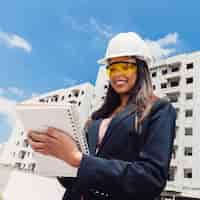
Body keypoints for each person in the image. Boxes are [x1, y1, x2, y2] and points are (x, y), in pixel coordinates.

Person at [28, 32, 176, 200]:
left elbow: (150, 179)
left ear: (141, 69)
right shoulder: (96, 118)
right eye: (112, 68)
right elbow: (74, 179)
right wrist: (57, 156)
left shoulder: (159, 109)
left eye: (125, 66)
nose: (117, 74)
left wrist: (77, 159)